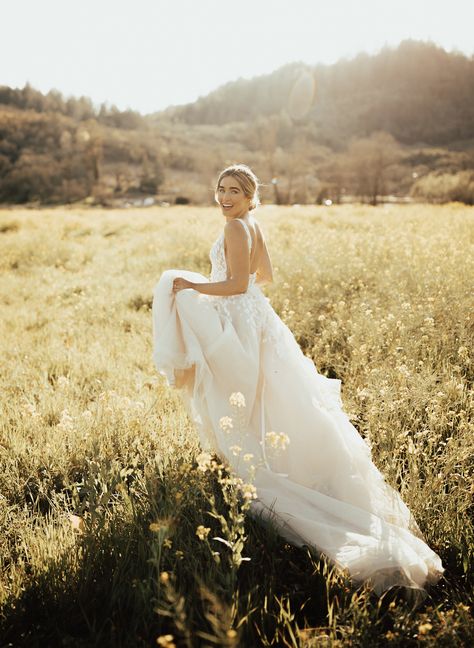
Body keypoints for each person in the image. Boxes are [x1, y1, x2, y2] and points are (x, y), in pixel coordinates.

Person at [152, 164, 444, 597]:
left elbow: (234, 285)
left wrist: (193, 289)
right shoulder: (252, 224)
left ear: (251, 196)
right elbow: (262, 277)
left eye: (235, 190)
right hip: (260, 321)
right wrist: (230, 290)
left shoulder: (235, 228)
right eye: (220, 188)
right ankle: (291, 463)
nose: (225, 196)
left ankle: (266, 470)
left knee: (237, 394)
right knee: (275, 399)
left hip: (241, 321)